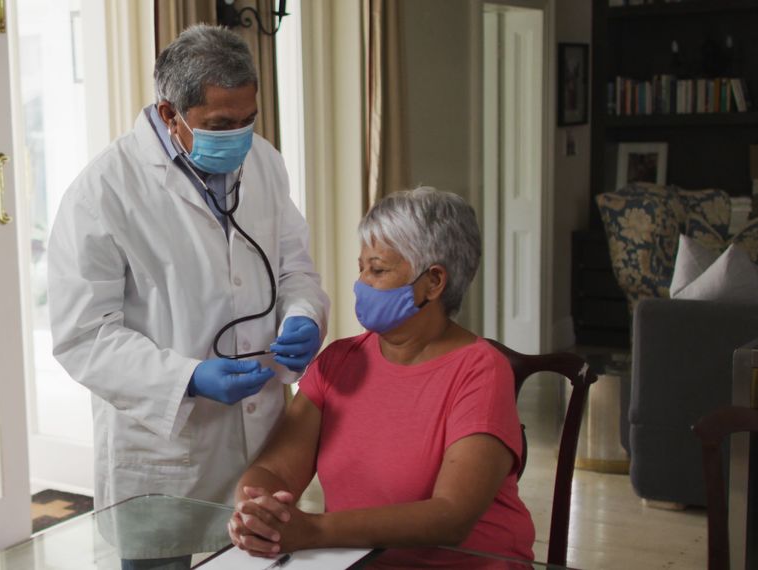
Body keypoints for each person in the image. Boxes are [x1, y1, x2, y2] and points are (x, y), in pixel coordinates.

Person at [48, 24, 330, 514]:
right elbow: (83, 335)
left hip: (263, 436)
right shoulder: (103, 191)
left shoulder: (264, 163)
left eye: (249, 119)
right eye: (221, 124)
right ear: (168, 114)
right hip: (165, 452)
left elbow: (294, 267)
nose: (240, 137)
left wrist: (304, 313)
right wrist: (189, 378)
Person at [227, 187, 535, 566]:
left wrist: (315, 530)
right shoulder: (337, 362)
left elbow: (451, 515)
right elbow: (273, 470)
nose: (361, 283)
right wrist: (255, 510)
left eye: (378, 269)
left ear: (434, 282)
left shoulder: (481, 370)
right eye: (361, 268)